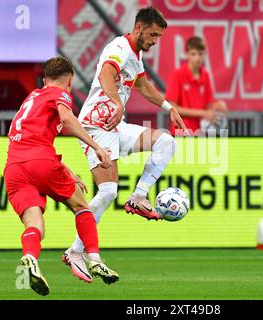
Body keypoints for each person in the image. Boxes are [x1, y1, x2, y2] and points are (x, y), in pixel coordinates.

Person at [62, 6, 187, 280]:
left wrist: (169, 107)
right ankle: (75, 250)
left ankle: (139, 196)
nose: (155, 41)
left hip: (116, 127)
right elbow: (108, 73)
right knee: (107, 192)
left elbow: (142, 85)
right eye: (153, 34)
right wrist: (118, 102)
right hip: (96, 126)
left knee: (165, 142)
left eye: (159, 37)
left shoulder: (135, 54)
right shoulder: (118, 47)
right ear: (139, 28)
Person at [4, 57, 119, 295]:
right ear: (70, 81)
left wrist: (64, 168)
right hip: (41, 161)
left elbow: (28, 139)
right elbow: (67, 120)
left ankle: (30, 258)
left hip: (14, 167)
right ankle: (94, 259)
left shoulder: (31, 97)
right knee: (82, 206)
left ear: (45, 79)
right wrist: (97, 147)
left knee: (34, 224)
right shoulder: (59, 93)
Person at [165, 36, 228, 135]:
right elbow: (173, 109)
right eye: (193, 54)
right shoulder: (176, 74)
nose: (197, 58)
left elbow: (208, 106)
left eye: (200, 54)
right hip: (180, 133)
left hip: (201, 133)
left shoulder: (206, 75)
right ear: (186, 55)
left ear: (205, 55)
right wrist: (203, 113)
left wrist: (218, 106)